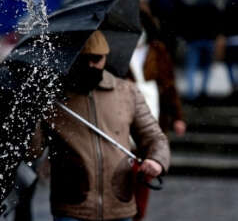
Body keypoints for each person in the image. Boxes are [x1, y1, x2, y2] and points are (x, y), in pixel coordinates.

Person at [31, 30, 170, 221]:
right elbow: (32, 150)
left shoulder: (126, 91)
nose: (90, 65)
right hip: (72, 206)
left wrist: (157, 160)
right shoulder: (53, 96)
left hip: (119, 204)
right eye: (84, 58)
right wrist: (31, 115)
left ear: (105, 57)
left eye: (96, 59)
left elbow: (153, 136)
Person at [128, 7, 186, 221]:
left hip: (153, 110)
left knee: (147, 161)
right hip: (126, 111)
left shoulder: (157, 50)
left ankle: (138, 214)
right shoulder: (119, 51)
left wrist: (177, 116)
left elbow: (169, 85)